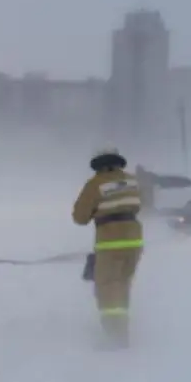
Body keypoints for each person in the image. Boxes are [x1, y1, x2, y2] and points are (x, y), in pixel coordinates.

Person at [72, 148, 144, 348]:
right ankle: (122, 330)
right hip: (135, 241)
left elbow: (79, 217)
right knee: (122, 284)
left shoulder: (96, 184)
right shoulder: (132, 181)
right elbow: (139, 205)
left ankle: (115, 337)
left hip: (110, 241)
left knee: (107, 287)